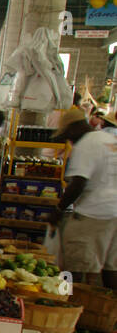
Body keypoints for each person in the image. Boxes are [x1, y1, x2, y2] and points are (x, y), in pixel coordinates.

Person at [49, 105, 117, 291]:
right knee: (110, 268)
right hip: (113, 213)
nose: (69, 140)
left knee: (75, 266)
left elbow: (78, 184)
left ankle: (70, 305)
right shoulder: (109, 139)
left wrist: (58, 210)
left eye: (68, 135)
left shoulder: (86, 144)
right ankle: (108, 314)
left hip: (93, 214)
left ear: (74, 128)